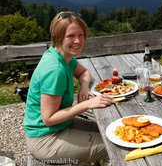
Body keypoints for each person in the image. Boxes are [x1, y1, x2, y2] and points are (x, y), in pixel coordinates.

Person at [23, 11, 114, 164]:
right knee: (114, 143)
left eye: (81, 35)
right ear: (58, 37)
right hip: (45, 139)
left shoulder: (62, 56)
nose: (78, 41)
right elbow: (48, 118)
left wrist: (84, 86)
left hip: (61, 126)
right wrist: (87, 104)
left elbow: (84, 72)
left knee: (110, 130)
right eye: (70, 36)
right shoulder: (55, 70)